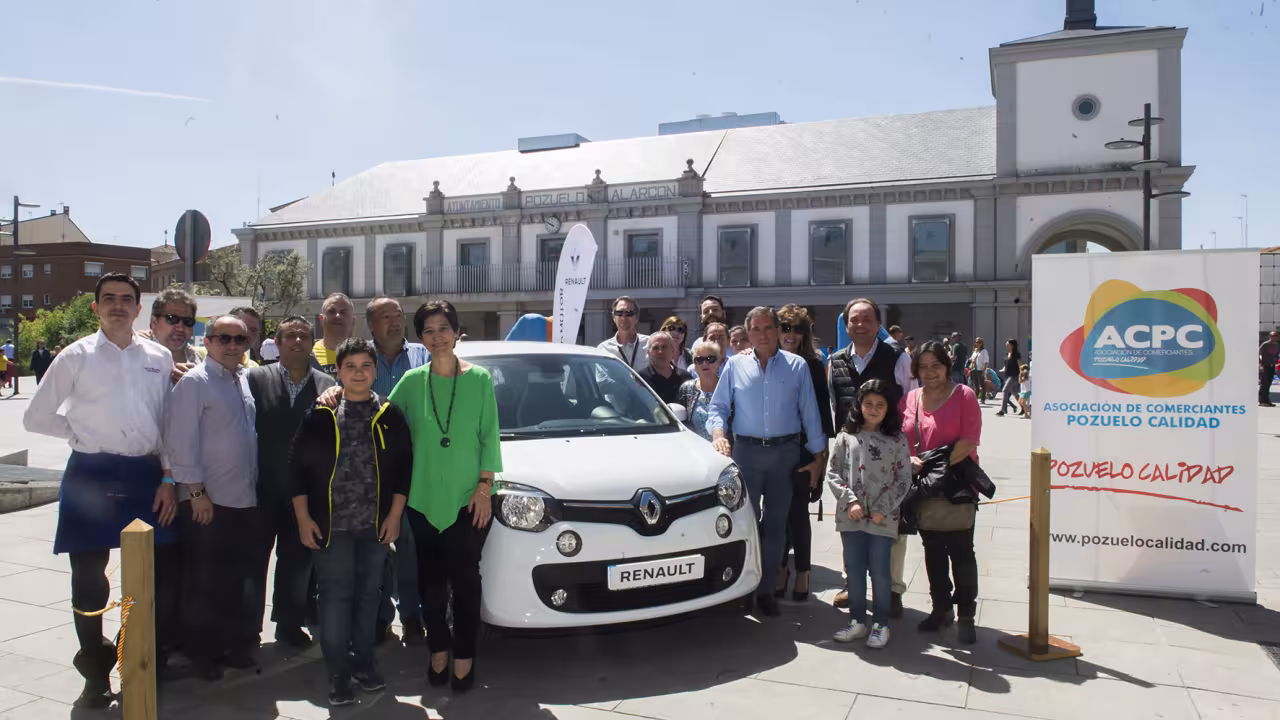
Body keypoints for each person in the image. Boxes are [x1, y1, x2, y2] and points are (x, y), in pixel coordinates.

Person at [23, 272, 180, 708]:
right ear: (95, 307)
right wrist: (81, 434)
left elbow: (166, 423)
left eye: (125, 299)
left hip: (145, 475)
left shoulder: (159, 356)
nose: (117, 305)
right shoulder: (75, 357)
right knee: (89, 581)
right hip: (90, 473)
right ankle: (95, 671)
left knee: (148, 579)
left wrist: (168, 477)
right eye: (108, 298)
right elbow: (35, 417)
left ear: (137, 308)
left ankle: (140, 665)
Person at [290, 338, 413, 706]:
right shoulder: (320, 414)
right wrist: (302, 518)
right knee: (334, 599)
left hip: (374, 526)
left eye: (365, 366)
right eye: (350, 366)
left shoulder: (390, 415)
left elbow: (403, 470)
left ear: (375, 371)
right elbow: (297, 470)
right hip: (332, 527)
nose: (359, 373)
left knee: (367, 598)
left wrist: (393, 516)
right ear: (338, 371)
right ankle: (338, 673)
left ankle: (364, 662)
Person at [390, 300, 501, 692]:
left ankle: (465, 656)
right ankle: (438, 650)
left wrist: (485, 486)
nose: (437, 337)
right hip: (422, 499)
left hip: (470, 499)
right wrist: (335, 393)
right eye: (428, 330)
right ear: (421, 337)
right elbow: (380, 418)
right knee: (430, 583)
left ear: (456, 331)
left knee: (467, 580)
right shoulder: (411, 381)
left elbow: (489, 435)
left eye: (443, 328)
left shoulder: (480, 380)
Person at [707, 306, 826, 617]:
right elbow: (717, 407)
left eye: (767, 328)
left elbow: (810, 413)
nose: (762, 334)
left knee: (775, 525)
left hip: (784, 454)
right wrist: (719, 435)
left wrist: (819, 458)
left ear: (777, 330)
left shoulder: (797, 366)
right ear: (748, 333)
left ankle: (765, 592)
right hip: (745, 453)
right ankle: (739, 586)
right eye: (755, 329)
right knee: (742, 522)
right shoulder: (734, 365)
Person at [165, 314, 261, 679]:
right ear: (208, 341)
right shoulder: (195, 382)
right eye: (224, 338)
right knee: (203, 582)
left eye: (240, 340)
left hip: (241, 499)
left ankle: (226, 646)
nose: (233, 346)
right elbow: (180, 440)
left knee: (231, 579)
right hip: (207, 500)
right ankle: (201, 653)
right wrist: (196, 492)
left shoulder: (242, 380)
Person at [246, 316, 336, 649]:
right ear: (278, 342)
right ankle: (247, 629)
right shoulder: (255, 378)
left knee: (297, 563)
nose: (297, 341)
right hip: (262, 488)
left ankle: (288, 624)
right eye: (290, 336)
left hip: (306, 495)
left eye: (303, 336)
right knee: (254, 561)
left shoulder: (328, 385)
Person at [826, 298, 913, 613]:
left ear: (879, 324)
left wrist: (907, 449)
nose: (859, 325)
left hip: (889, 453)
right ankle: (855, 585)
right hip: (852, 456)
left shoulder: (897, 358)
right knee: (854, 521)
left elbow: (910, 402)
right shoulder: (835, 360)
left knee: (891, 527)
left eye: (866, 319)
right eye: (853, 320)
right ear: (846, 325)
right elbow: (834, 405)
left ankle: (892, 589)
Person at [902, 340, 983, 644]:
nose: (929, 371)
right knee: (932, 551)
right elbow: (902, 436)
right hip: (924, 488)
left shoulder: (964, 395)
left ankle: (966, 616)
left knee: (962, 553)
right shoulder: (910, 399)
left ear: (947, 366)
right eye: (923, 366)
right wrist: (907, 457)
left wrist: (937, 467)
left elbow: (969, 440)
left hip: (957, 485)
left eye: (935, 365)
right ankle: (941, 609)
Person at [827, 379, 911, 648]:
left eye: (880, 405)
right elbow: (833, 472)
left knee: (880, 572)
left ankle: (881, 624)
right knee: (853, 570)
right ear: (858, 405)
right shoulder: (845, 436)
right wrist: (850, 501)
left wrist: (881, 509)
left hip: (881, 519)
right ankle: (857, 621)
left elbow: (903, 479)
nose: (873, 409)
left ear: (888, 409)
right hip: (850, 516)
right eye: (868, 404)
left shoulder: (897, 440)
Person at [366, 296, 429, 644]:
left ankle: (412, 615)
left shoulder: (423, 356)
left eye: (398, 316)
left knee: (409, 549)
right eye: (384, 317)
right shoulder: (361, 359)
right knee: (376, 550)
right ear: (370, 325)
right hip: (371, 473)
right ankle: (379, 617)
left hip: (413, 472)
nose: (393, 323)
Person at [776, 304, 836, 602]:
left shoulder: (812, 365)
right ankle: (780, 567)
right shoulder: (767, 361)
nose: (791, 334)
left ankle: (802, 571)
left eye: (797, 329)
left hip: (804, 449)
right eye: (785, 327)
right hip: (773, 448)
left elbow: (823, 415)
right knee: (776, 512)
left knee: (798, 512)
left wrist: (819, 460)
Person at [677, 338, 722, 442]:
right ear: (694, 365)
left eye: (710, 359)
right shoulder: (686, 389)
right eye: (699, 360)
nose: (704, 363)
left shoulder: (728, 388)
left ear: (718, 362)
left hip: (726, 449)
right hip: (697, 449)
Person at [597, 296, 649, 373]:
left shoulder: (650, 344)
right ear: (613, 317)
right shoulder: (604, 349)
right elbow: (602, 380)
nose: (623, 318)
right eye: (619, 313)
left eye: (629, 313)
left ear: (636, 317)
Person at [638, 331, 692, 404]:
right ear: (648, 352)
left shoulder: (685, 378)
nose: (660, 351)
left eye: (664, 347)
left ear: (672, 350)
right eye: (655, 348)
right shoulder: (640, 380)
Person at [314, 293, 355, 377]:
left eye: (343, 312)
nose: (337, 316)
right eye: (331, 311)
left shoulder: (365, 353)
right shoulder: (309, 354)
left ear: (353, 321)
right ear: (321, 319)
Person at [995, 339, 1022, 417]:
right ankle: (1024, 407)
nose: (1007, 346)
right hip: (1008, 375)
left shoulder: (1016, 355)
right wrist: (1003, 369)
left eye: (1008, 345)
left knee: (1005, 390)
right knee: (1015, 394)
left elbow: (1020, 365)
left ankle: (1002, 410)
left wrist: (1021, 375)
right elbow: (1007, 365)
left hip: (1014, 376)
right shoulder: (1007, 354)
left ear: (1012, 345)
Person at [968, 338, 990, 404]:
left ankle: (983, 399)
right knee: (976, 384)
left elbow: (986, 362)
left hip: (980, 370)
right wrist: (971, 360)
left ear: (982, 343)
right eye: (976, 342)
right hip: (974, 369)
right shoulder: (975, 351)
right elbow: (971, 359)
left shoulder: (984, 351)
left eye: (979, 342)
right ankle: (976, 398)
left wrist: (984, 370)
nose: (977, 343)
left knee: (982, 385)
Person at [1261, 331, 1279, 407]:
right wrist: (1260, 364)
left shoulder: (1277, 345)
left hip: (1272, 366)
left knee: (1268, 384)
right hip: (1265, 365)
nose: (1273, 337)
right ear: (1269, 336)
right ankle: (1262, 400)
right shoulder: (1265, 344)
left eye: (1275, 336)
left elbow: (1277, 354)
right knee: (1264, 383)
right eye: (1272, 336)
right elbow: (1259, 353)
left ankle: (1266, 400)